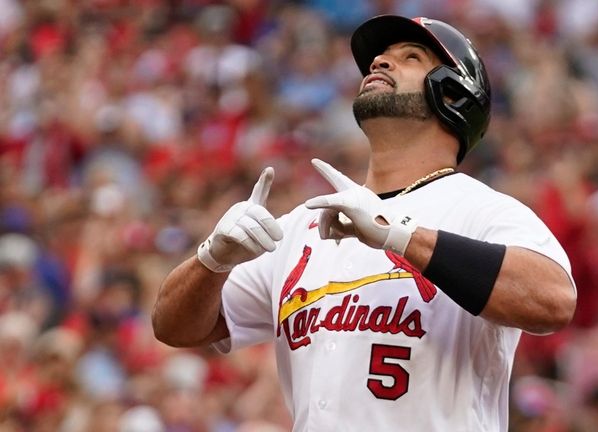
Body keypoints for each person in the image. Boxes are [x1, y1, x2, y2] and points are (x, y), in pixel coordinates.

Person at [152, 15, 576, 431]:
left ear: (453, 95)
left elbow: (553, 300)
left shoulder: (482, 210)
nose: (379, 62)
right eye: (379, 57)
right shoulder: (307, 222)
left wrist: (400, 235)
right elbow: (175, 327)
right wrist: (213, 260)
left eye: (410, 57)